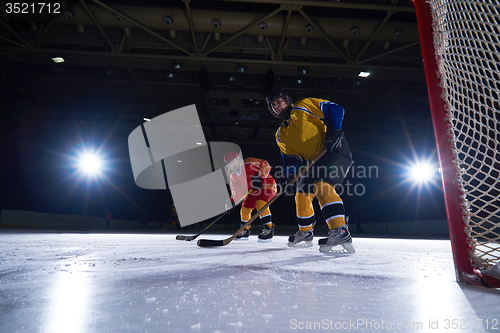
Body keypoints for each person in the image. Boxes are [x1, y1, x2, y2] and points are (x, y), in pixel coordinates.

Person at [265, 89, 354, 253]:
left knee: (322, 185)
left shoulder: (303, 106)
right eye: (273, 105)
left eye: (279, 101)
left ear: (287, 100)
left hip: (334, 150)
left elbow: (335, 109)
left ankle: (340, 230)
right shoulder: (280, 135)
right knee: (301, 194)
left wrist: (334, 131)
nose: (277, 106)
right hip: (313, 163)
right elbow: (291, 159)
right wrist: (289, 176)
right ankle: (305, 233)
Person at [224, 151, 277, 242]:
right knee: (244, 208)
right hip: (253, 190)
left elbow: (265, 164)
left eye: (233, 161)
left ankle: (268, 228)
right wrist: (232, 201)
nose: (231, 164)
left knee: (260, 203)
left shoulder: (249, 162)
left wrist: (261, 177)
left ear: (238, 159)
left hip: (267, 185)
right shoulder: (233, 175)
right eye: (229, 162)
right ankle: (245, 230)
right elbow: (237, 190)